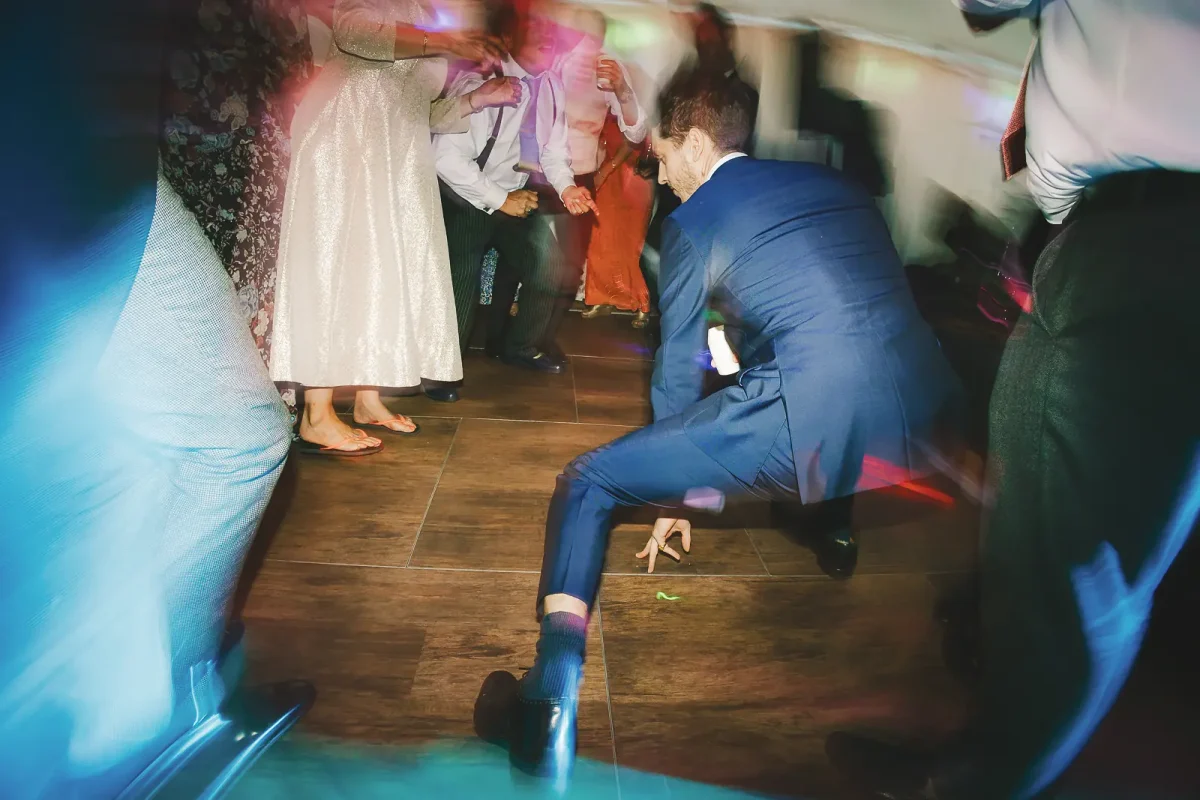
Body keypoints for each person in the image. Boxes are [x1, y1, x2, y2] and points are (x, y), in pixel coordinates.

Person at [483, 66, 963, 782]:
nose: (662, 171)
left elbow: (676, 365)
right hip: (928, 414)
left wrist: (674, 488)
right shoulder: (838, 186)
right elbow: (840, 300)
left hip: (809, 418)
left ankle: (548, 702)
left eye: (665, 154)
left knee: (586, 484)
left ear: (699, 144)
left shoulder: (696, 219)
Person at [832, 3, 1200, 799]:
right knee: (1079, 559)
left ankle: (978, 780)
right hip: (1129, 233)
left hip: (1142, 236)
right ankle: (986, 761)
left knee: (1064, 563)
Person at [270, 0, 515, 451]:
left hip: (393, 155)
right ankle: (316, 415)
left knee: (382, 271)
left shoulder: (434, 13)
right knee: (335, 265)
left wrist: (478, 98)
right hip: (343, 138)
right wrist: (448, 41)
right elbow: (355, 32)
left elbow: (415, 107)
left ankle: (368, 397)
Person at [434, 4, 597, 390]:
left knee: (550, 266)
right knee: (461, 277)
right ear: (510, 37)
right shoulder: (482, 78)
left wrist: (567, 186)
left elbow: (553, 152)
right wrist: (499, 198)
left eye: (550, 30)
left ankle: (521, 347)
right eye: (535, 28)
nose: (547, 37)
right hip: (466, 195)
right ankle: (442, 368)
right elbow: (445, 158)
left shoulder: (551, 84)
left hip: (514, 194)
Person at [160, 0, 312, 409]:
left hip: (199, 139)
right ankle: (246, 409)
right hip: (239, 142)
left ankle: (207, 406)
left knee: (202, 270)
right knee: (249, 271)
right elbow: (294, 62)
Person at [524, 6, 647, 351]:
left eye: (595, 36)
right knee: (533, 263)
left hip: (584, 178)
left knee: (570, 266)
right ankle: (518, 339)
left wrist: (623, 91)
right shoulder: (553, 63)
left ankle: (540, 338)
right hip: (538, 175)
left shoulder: (609, 71)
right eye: (581, 34)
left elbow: (635, 133)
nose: (587, 43)